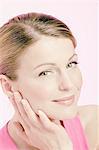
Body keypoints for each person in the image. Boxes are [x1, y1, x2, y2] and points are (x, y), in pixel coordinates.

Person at [0, 12, 98, 150]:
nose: (69, 85)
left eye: (71, 64)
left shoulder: (94, 125)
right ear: (8, 87)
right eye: (45, 73)